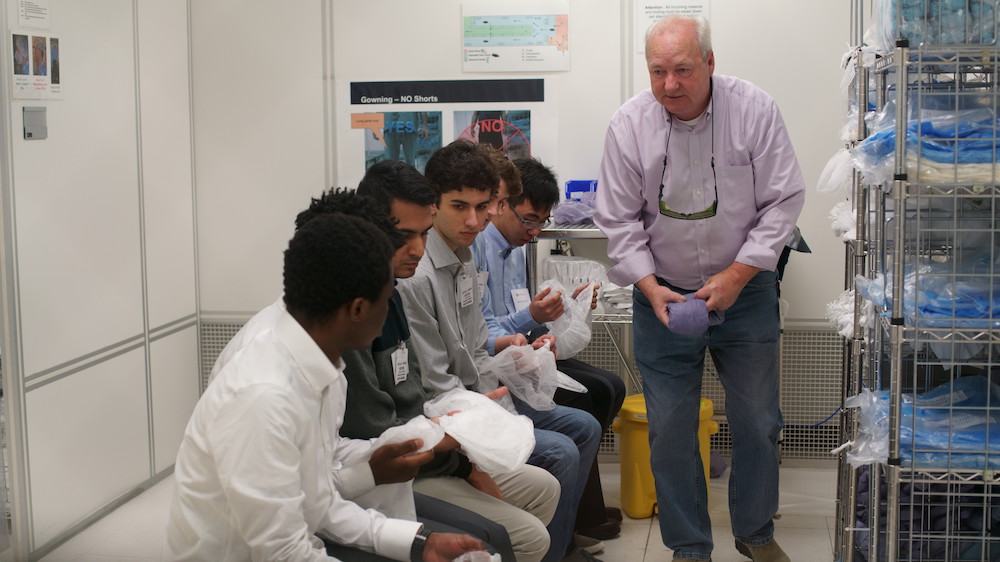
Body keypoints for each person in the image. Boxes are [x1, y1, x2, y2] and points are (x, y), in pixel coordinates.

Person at [594, 15, 805, 562]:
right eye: (658, 71)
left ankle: (755, 533)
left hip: (746, 291)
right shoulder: (628, 125)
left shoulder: (753, 110)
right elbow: (617, 219)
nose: (670, 85)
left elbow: (783, 200)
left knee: (758, 422)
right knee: (669, 429)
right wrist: (647, 283)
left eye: (683, 69)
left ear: (710, 62)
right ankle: (689, 546)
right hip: (661, 296)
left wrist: (738, 275)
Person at [206, 189, 515, 559]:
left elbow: (317, 495)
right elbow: (282, 550)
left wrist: (419, 544)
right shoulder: (262, 390)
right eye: (387, 298)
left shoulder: (322, 361)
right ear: (357, 307)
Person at [341, 159, 560, 562]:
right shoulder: (366, 305)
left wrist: (471, 435)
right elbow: (383, 433)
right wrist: (464, 457)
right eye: (404, 235)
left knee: (545, 485)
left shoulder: (399, 286)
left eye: (422, 235)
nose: (418, 249)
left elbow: (465, 358)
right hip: (409, 467)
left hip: (434, 445)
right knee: (528, 531)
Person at [396, 140, 603, 562]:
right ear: (432, 205)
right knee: (563, 446)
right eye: (461, 206)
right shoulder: (416, 276)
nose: (478, 218)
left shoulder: (466, 256)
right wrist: (488, 436)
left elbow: (475, 348)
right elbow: (440, 384)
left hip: (479, 397)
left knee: (588, 414)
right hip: (451, 417)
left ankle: (560, 542)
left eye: (486, 204)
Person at [472, 156, 627, 543]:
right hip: (498, 370)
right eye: (529, 219)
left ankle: (578, 509)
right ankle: (578, 515)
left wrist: (560, 312)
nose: (535, 231)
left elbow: (513, 320)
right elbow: (488, 334)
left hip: (517, 358)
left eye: (542, 221)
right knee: (590, 398)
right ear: (502, 203)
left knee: (611, 386)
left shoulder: (515, 247)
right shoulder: (477, 249)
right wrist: (532, 320)